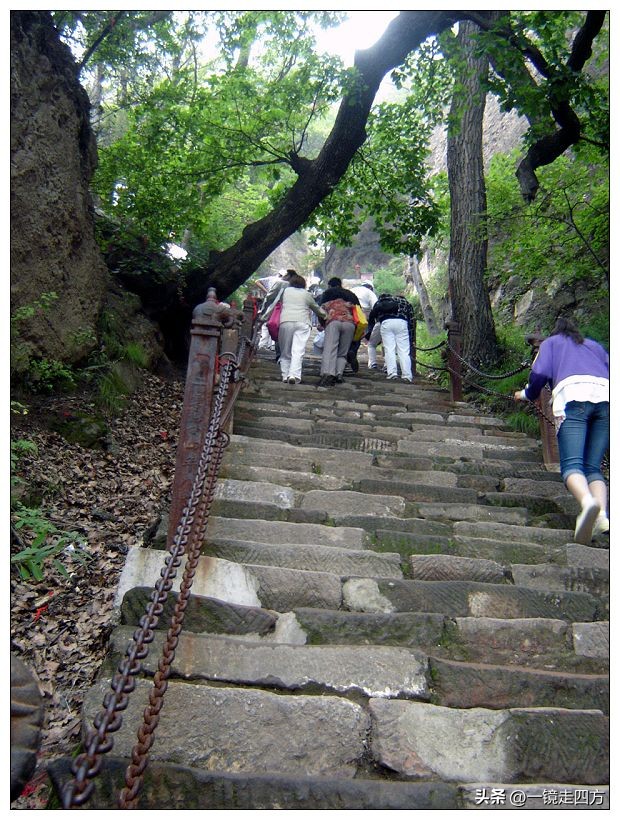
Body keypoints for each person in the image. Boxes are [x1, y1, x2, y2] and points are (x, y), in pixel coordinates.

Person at [514, 317, 609, 545]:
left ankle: (588, 504)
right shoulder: (593, 345)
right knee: (593, 467)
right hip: (607, 400)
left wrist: (526, 394)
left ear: (555, 332)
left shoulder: (552, 343)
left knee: (572, 465)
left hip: (572, 399)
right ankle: (603, 517)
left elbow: (539, 374)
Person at [262, 271, 326, 384]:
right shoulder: (307, 294)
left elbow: (275, 301)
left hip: (286, 321)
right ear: (303, 284)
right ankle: (294, 375)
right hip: (303, 323)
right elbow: (316, 308)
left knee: (285, 351)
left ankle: (285, 375)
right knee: (298, 350)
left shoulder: (285, 291)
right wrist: (327, 316)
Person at [316, 277, 360, 388]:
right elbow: (359, 310)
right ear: (341, 284)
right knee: (342, 352)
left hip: (333, 322)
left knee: (330, 349)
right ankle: (339, 373)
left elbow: (320, 310)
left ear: (330, 285)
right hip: (349, 324)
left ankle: (328, 374)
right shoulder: (350, 294)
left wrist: (322, 323)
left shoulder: (327, 293)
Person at [366, 292, 415, 382]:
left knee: (389, 349)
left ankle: (392, 373)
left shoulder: (385, 301)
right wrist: (411, 338)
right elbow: (411, 321)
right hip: (402, 323)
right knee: (404, 351)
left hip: (386, 322)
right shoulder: (406, 303)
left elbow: (373, 315)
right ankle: (407, 375)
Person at [347, 282, 378, 372]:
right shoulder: (370, 293)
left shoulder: (352, 290)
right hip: (361, 314)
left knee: (347, 334)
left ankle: (346, 356)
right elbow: (375, 306)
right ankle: (353, 351)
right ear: (370, 287)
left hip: (349, 312)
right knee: (358, 335)